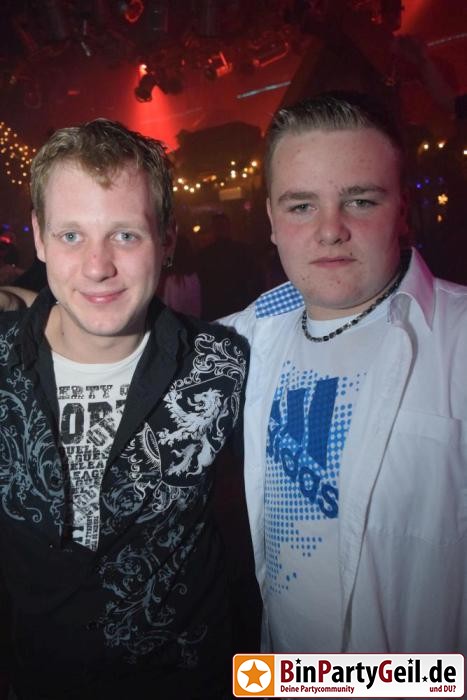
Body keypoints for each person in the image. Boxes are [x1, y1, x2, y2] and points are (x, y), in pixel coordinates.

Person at [0, 118, 249, 700]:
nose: (97, 266)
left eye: (126, 235)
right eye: (71, 235)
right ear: (39, 238)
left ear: (167, 239)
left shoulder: (224, 363)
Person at [222, 92, 467, 656]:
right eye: (301, 206)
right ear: (271, 221)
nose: (330, 230)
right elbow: (123, 343)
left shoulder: (457, 337)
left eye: (359, 200)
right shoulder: (246, 337)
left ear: (402, 210)